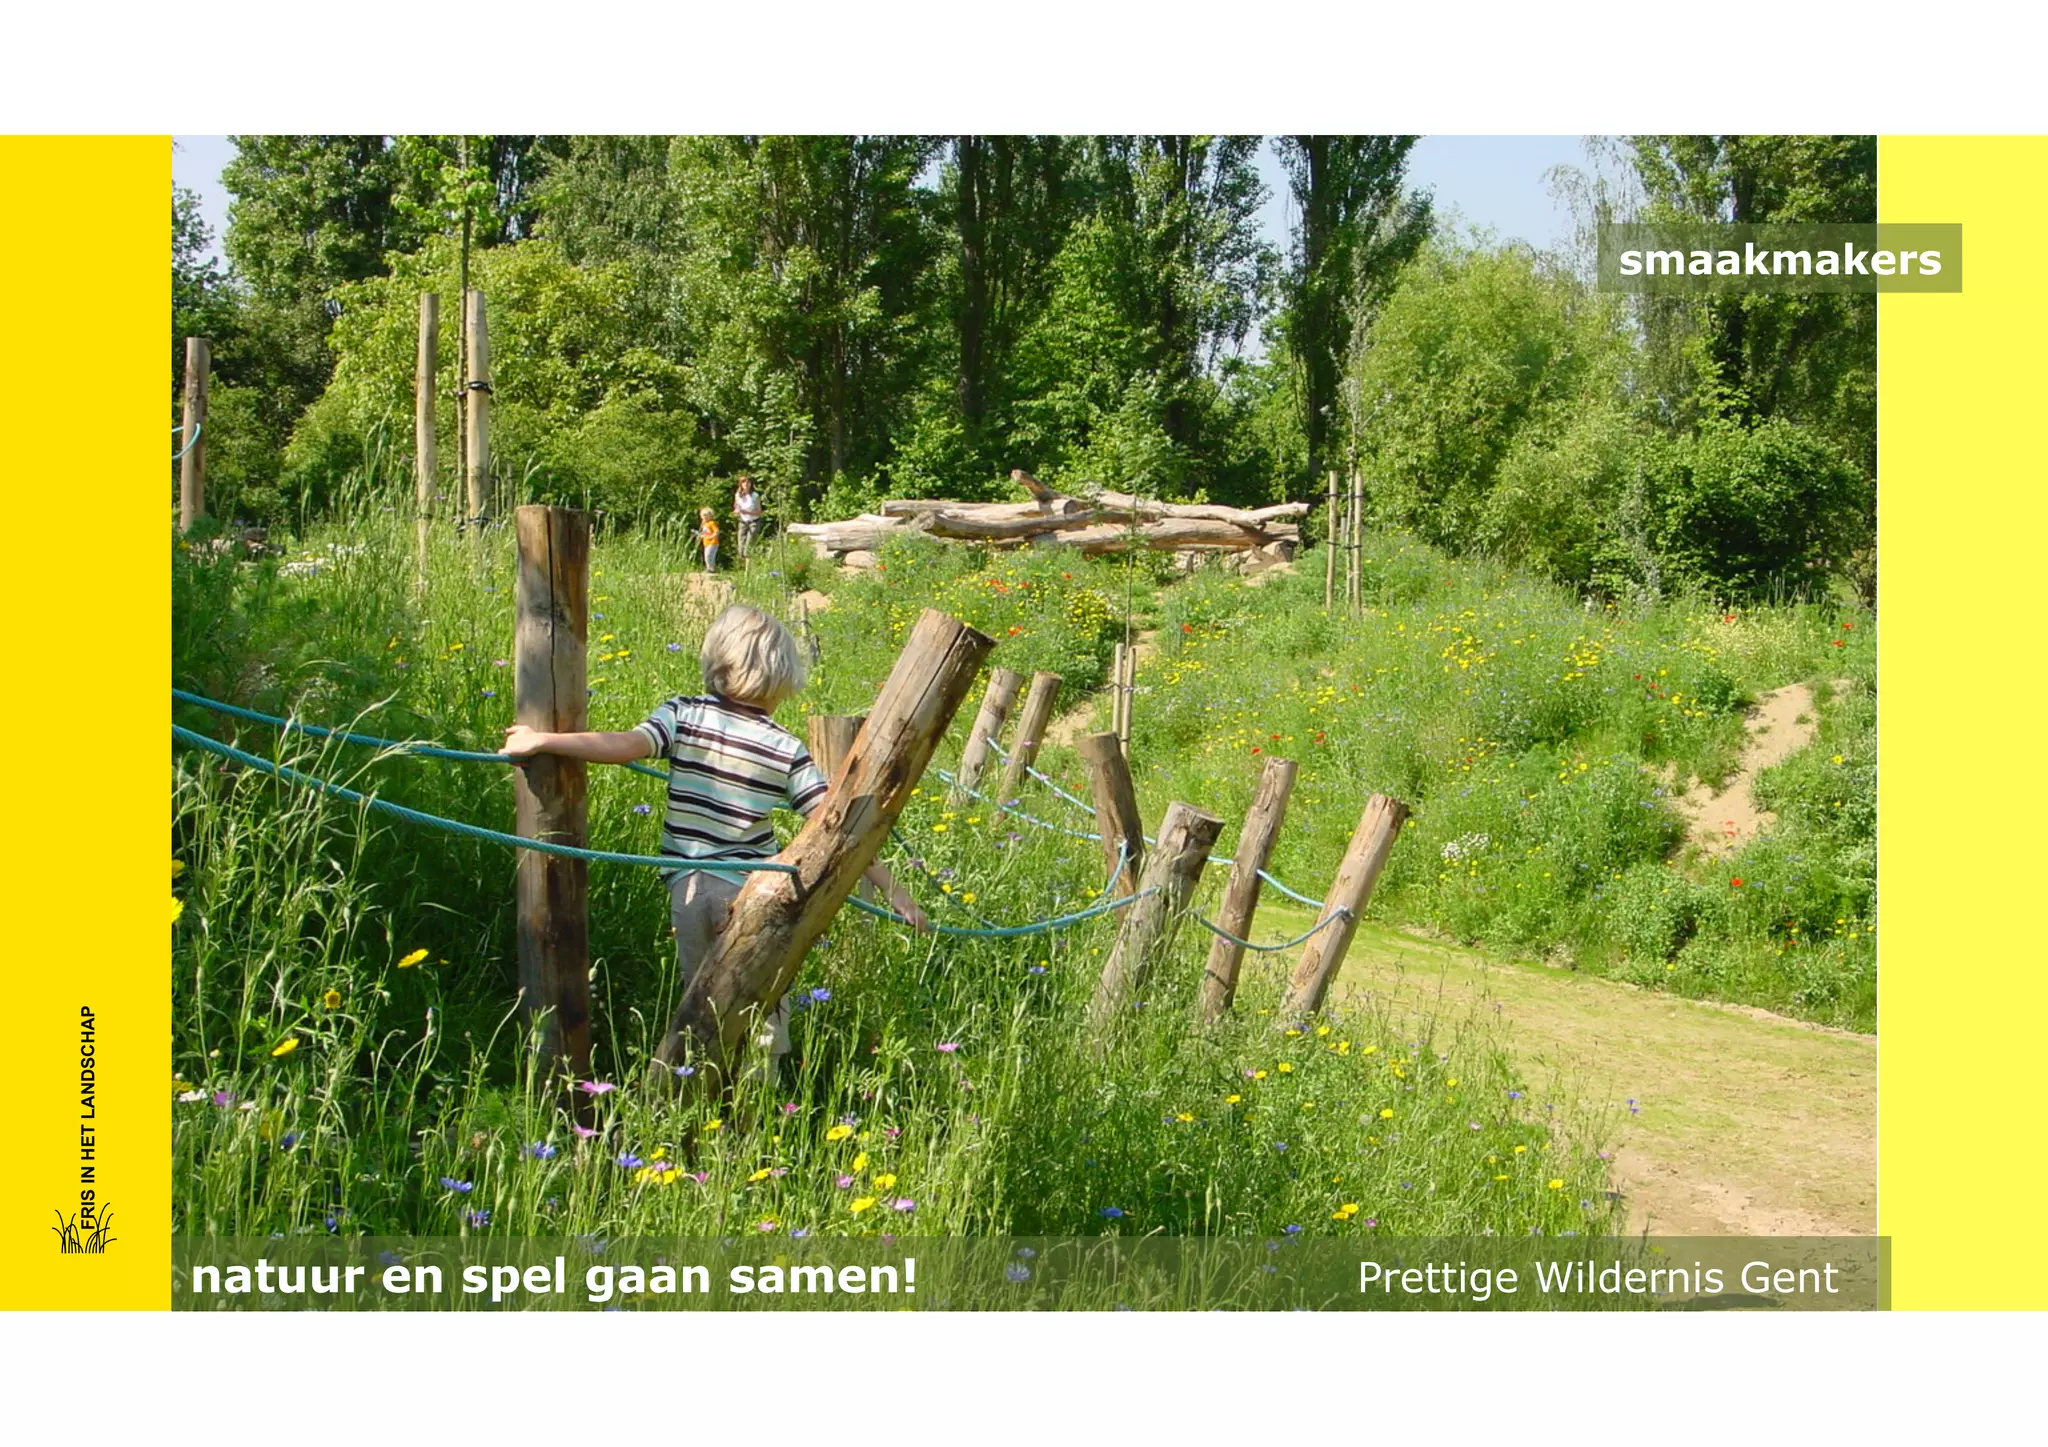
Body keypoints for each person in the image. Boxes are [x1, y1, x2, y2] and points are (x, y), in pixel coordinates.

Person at [501, 603, 930, 1076]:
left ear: (717, 661)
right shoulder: (786, 748)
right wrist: (896, 892)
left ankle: (697, 1097)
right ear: (783, 673)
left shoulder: (684, 715)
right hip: (754, 893)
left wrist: (542, 741)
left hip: (690, 889)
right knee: (759, 1007)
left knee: (700, 1003)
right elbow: (839, 826)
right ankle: (754, 1102)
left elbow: (622, 746)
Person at [733, 474, 766, 558]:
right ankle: (744, 564)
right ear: (740, 484)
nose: (746, 484)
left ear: (751, 484)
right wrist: (736, 511)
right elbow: (736, 506)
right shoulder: (738, 495)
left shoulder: (755, 495)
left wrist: (746, 512)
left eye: (748, 482)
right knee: (741, 547)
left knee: (748, 546)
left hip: (754, 521)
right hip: (743, 521)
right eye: (743, 482)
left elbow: (759, 512)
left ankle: (749, 567)